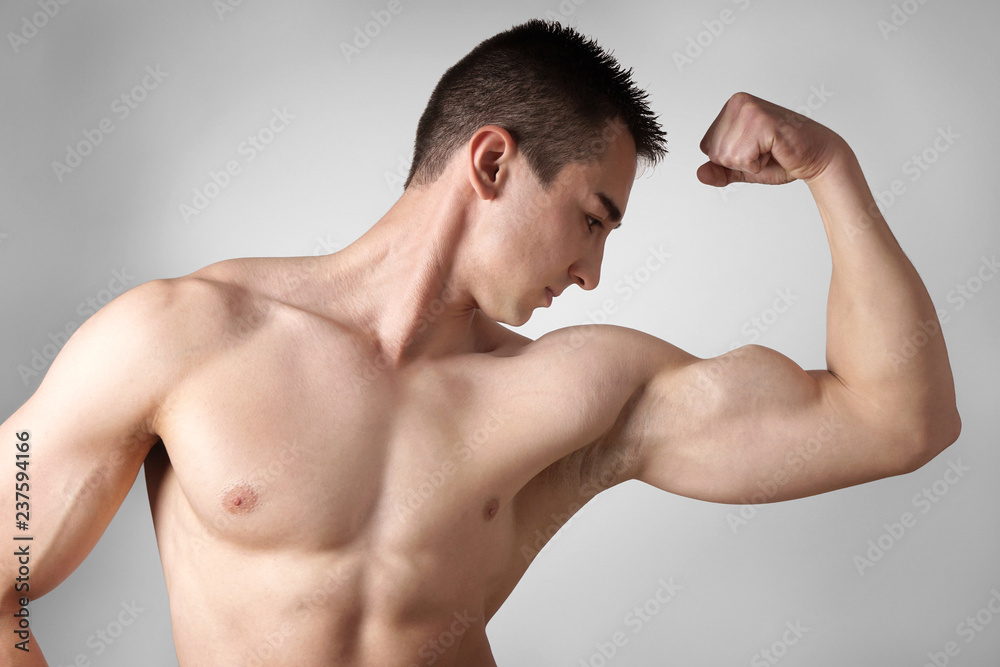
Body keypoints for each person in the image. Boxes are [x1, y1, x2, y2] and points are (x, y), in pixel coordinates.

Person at [1, 19, 960, 666]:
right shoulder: (184, 335)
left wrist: (831, 170)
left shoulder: (577, 391)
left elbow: (896, 420)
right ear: (493, 161)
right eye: (593, 218)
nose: (593, 273)